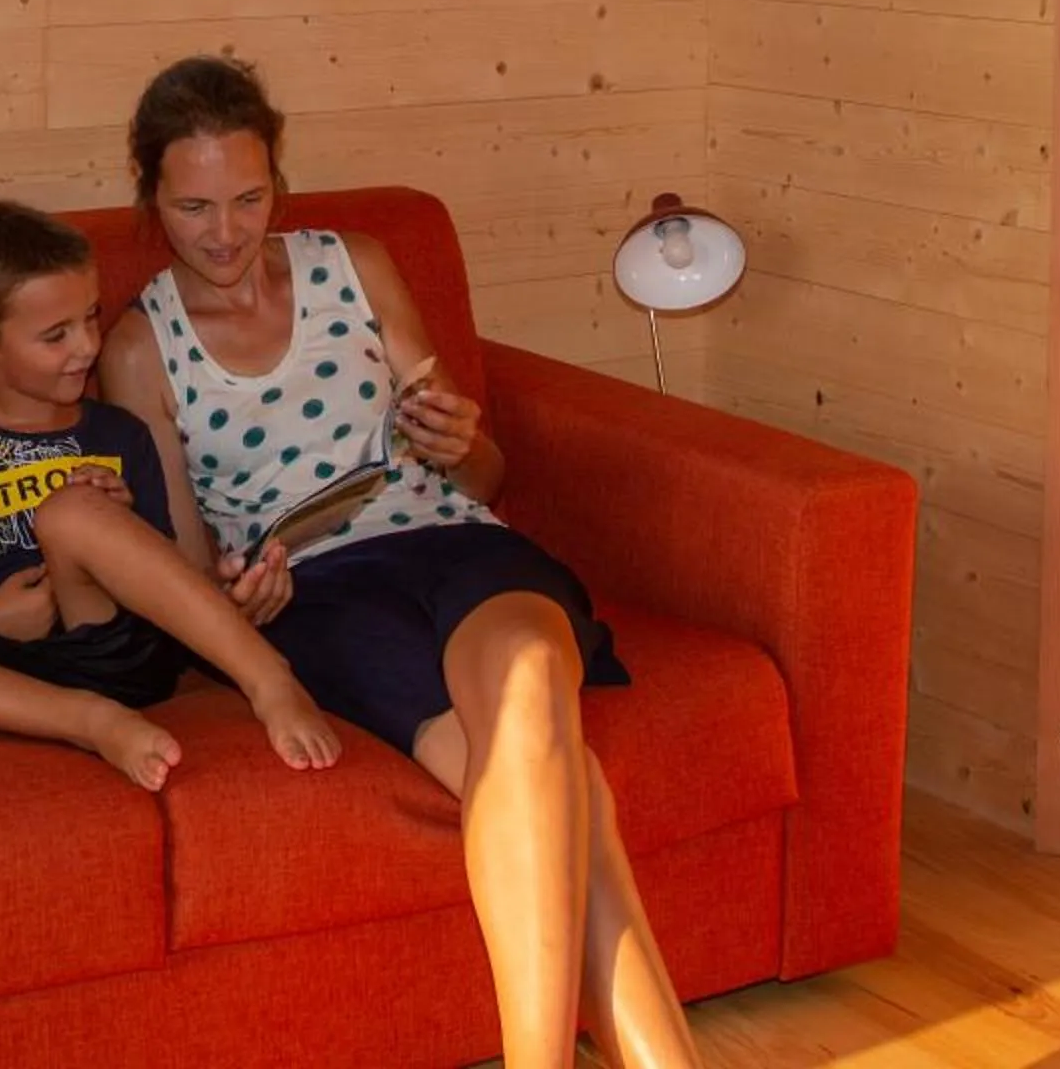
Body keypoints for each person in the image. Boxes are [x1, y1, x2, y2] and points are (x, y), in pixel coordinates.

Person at [98, 58, 704, 1069]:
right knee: (555, 776)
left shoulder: (358, 263)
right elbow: (185, 578)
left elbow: (482, 475)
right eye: (193, 204)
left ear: (278, 184)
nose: (223, 231)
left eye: (248, 198)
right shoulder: (138, 346)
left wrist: (458, 437)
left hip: (453, 539)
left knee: (528, 693)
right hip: (319, 593)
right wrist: (238, 599)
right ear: (150, 197)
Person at [0, 200, 341, 790]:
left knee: (71, 511)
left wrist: (120, 525)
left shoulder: (119, 434)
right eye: (56, 335)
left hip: (117, 647)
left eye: (91, 318)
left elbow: (171, 581)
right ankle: (88, 723)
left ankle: (268, 678)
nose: (88, 346)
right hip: (9, 673)